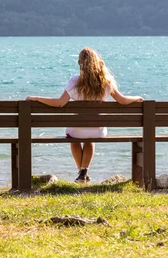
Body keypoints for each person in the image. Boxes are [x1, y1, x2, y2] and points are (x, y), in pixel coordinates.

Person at [27, 47, 143, 183]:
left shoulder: (74, 82)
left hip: (76, 130)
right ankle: (83, 172)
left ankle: (82, 173)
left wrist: (36, 98)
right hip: (98, 130)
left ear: (80, 64)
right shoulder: (106, 82)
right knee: (90, 138)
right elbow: (122, 100)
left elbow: (59, 103)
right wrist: (137, 98)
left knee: (74, 139)